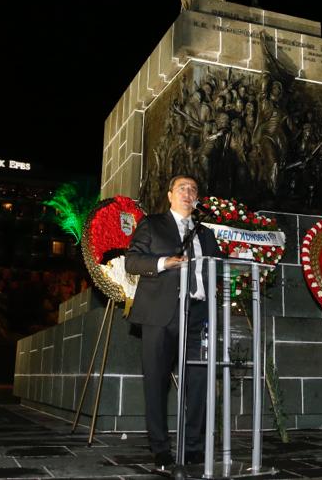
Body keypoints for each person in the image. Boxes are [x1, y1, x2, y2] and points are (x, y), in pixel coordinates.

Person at [124, 175, 218, 469]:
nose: (188, 193)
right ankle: (160, 447)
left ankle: (193, 446)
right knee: (156, 382)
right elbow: (132, 261)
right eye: (182, 188)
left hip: (199, 314)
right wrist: (165, 262)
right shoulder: (152, 224)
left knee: (199, 382)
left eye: (193, 189)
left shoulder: (206, 233)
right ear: (169, 195)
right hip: (160, 314)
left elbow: (217, 268)